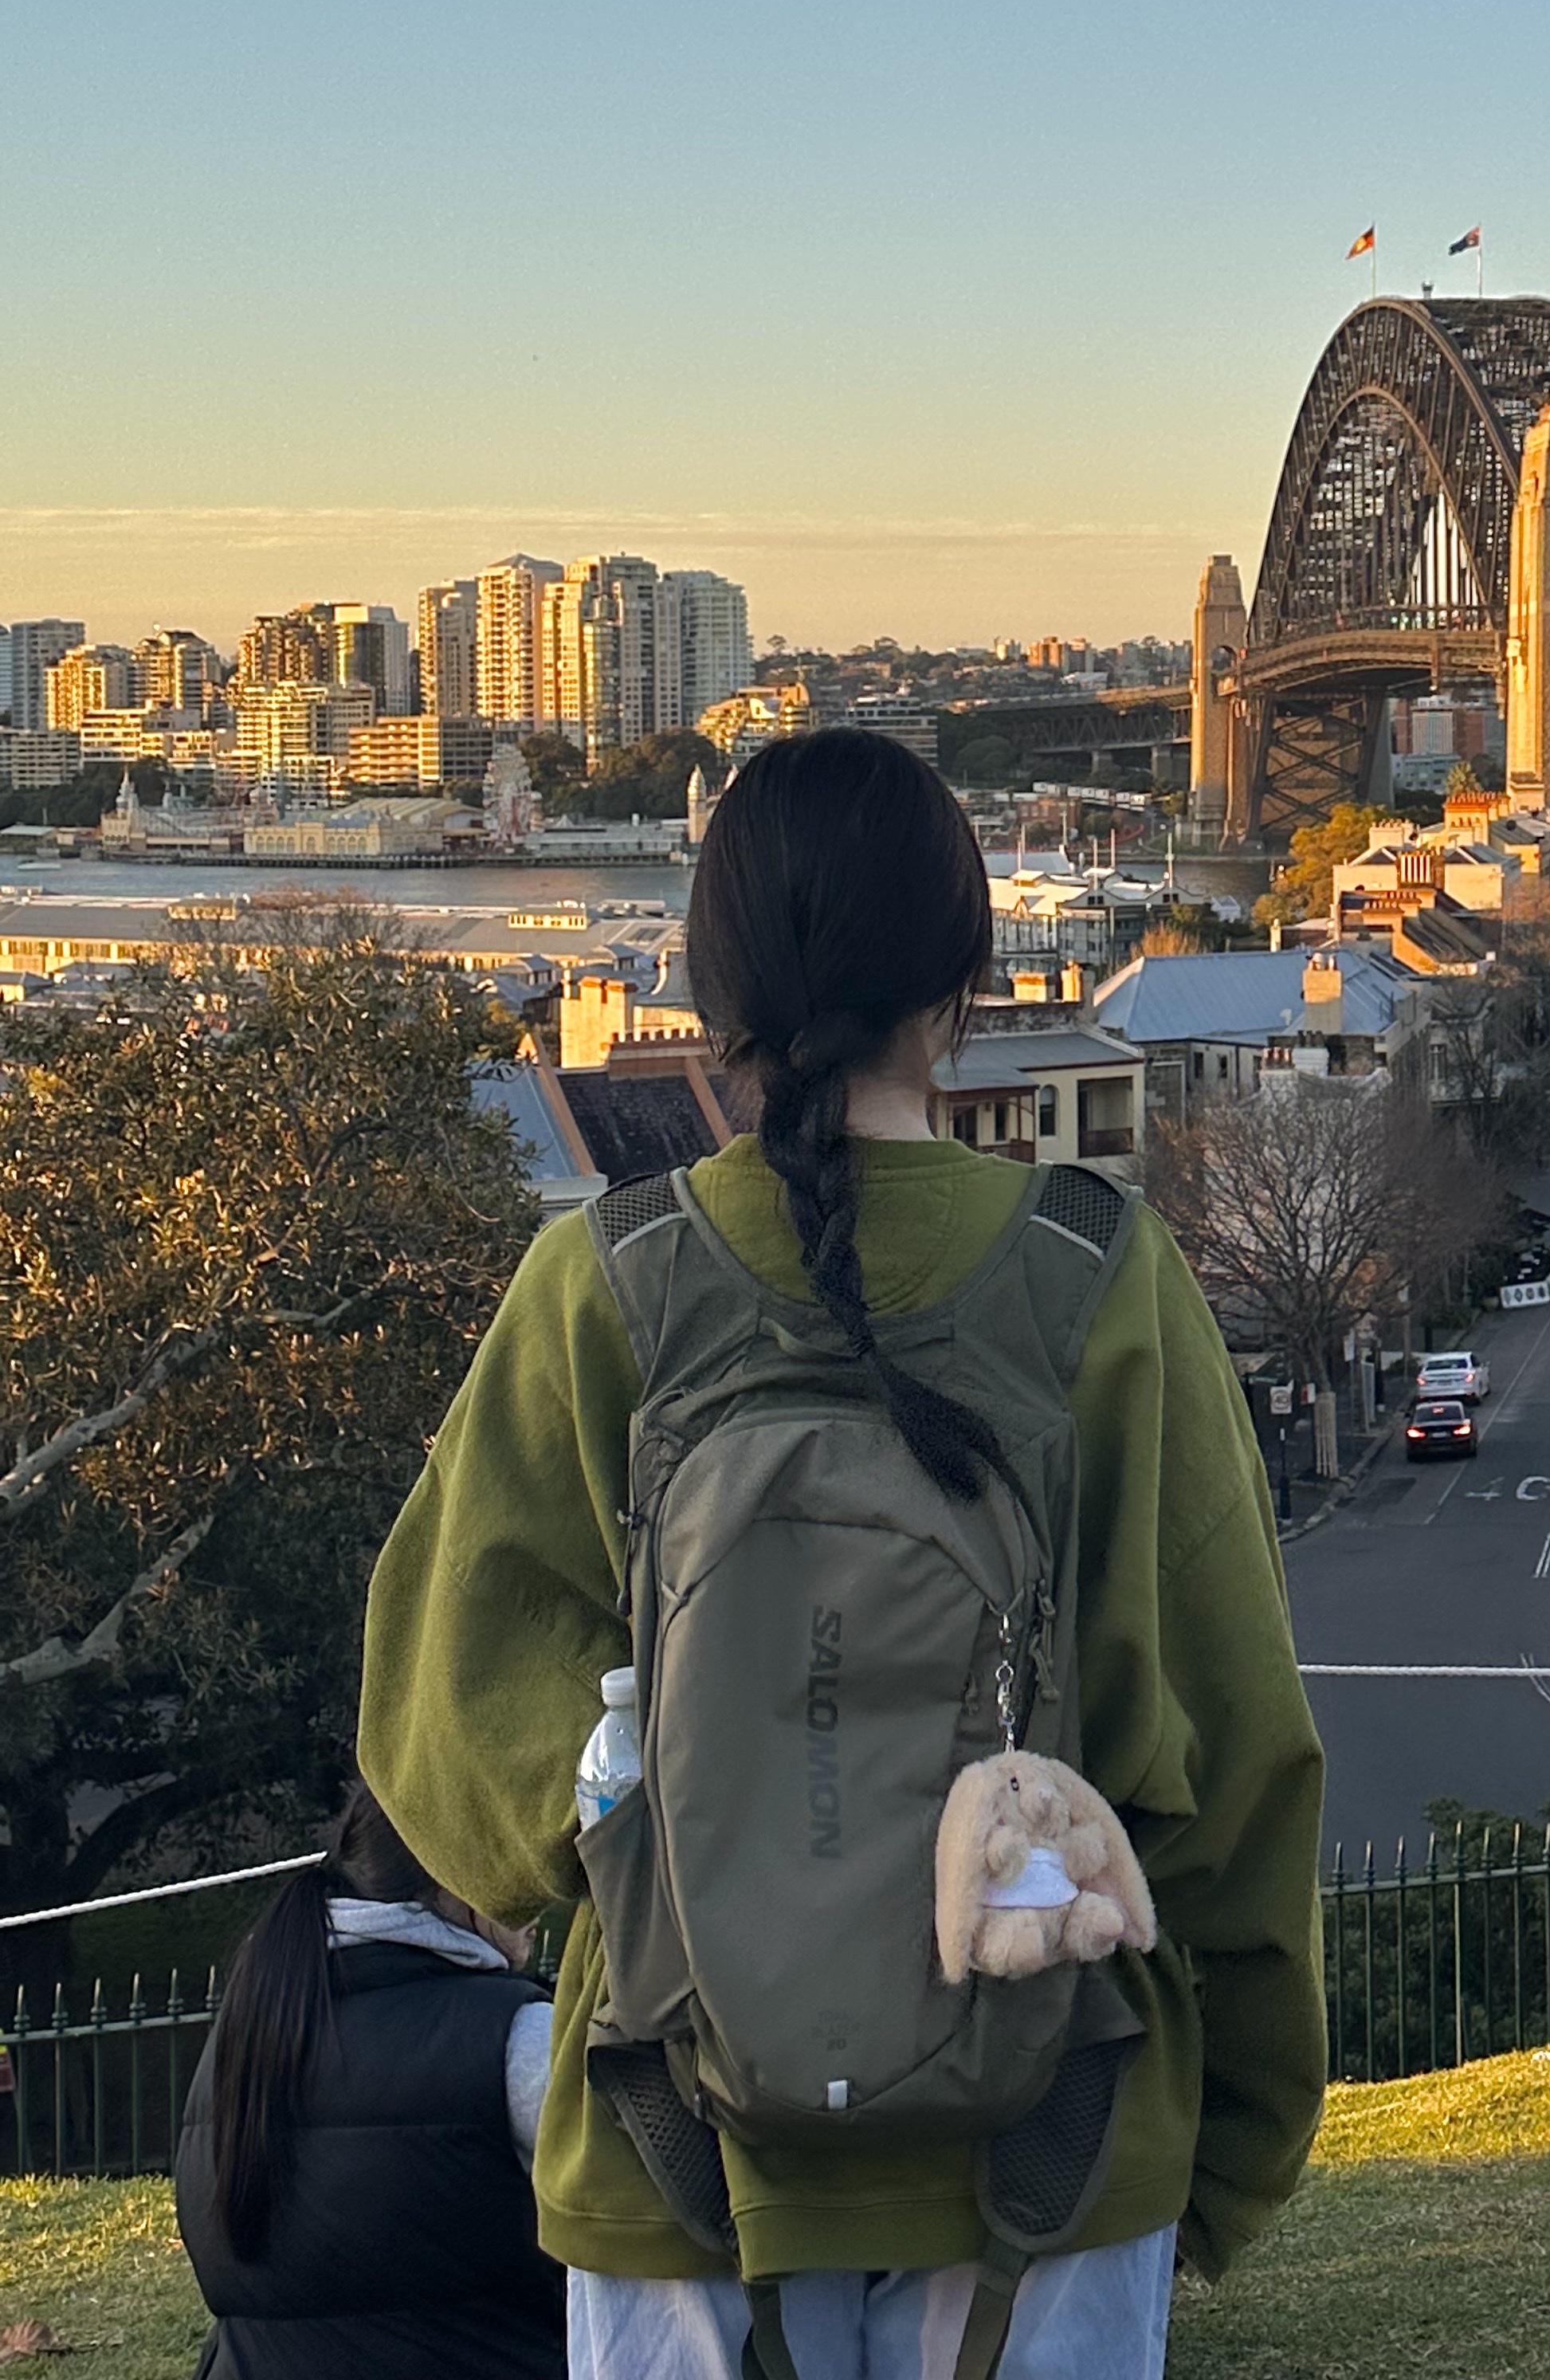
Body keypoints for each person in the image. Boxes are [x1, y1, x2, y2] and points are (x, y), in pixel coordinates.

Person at [359, 729, 1326, 2380]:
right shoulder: (1103, 1279)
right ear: (965, 973)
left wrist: (652, 1872)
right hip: (1060, 2126)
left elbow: (439, 1729)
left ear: (710, 983)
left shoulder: (600, 1285)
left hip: (678, 2136)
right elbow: (1234, 1761)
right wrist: (1228, 2137)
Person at [175, 1780, 564, 2379]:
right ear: (457, 1881)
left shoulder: (241, 2035)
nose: (538, 1899)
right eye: (515, 1868)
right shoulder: (512, 2037)